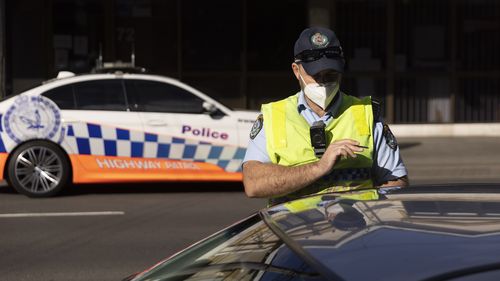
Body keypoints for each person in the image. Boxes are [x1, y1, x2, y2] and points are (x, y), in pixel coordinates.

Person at [242, 26, 409, 205]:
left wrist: (367, 214)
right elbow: (253, 184)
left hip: (356, 229)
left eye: (331, 75)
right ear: (296, 71)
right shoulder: (273, 117)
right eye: (316, 75)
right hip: (295, 231)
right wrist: (319, 168)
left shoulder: (367, 114)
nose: (324, 82)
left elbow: (396, 182)